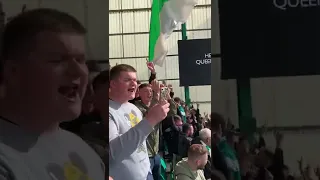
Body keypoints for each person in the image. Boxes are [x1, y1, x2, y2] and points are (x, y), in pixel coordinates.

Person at [0, 8, 105, 180]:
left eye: (80, 60)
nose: (78, 71)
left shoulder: (86, 152)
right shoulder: (5, 159)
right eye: (58, 60)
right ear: (13, 71)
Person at [109, 64, 170, 180]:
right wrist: (150, 121)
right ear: (113, 84)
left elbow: (141, 142)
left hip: (146, 173)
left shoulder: (134, 109)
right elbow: (113, 152)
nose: (133, 83)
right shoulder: (109, 111)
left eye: (135, 80)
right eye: (127, 80)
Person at [134, 82, 162, 180]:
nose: (149, 93)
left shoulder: (155, 104)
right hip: (145, 155)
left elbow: (172, 113)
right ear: (139, 93)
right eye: (145, 91)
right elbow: (150, 115)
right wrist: (156, 95)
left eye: (151, 91)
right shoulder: (136, 108)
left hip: (155, 153)